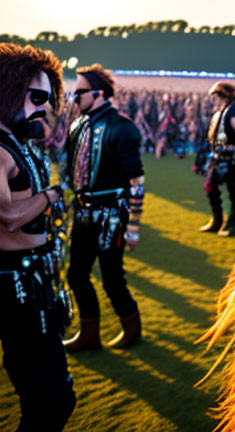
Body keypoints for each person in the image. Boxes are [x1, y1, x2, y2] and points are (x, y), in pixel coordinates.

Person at [0, 43, 76, 430]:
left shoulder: (17, 142)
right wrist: (51, 195)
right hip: (14, 286)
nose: (43, 108)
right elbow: (8, 216)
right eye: (36, 97)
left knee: (48, 396)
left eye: (48, 98)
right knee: (51, 399)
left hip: (33, 281)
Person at [63, 64, 145, 351]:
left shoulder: (122, 127)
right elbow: (70, 172)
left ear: (98, 94)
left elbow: (136, 180)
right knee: (76, 274)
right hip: (82, 212)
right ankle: (89, 333)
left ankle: (132, 329)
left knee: (112, 277)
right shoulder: (77, 126)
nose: (74, 98)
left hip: (112, 214)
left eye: (79, 93)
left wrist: (133, 225)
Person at [200, 81, 235, 236]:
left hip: (232, 160)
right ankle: (217, 220)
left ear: (223, 96)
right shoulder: (222, 112)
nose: (213, 99)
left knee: (234, 192)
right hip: (218, 159)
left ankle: (231, 224)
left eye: (215, 96)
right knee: (211, 188)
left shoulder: (234, 113)